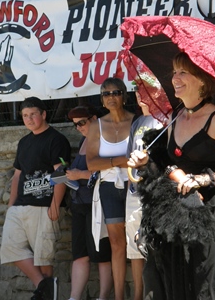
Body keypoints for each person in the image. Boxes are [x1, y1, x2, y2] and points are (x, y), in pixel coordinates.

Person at [128, 52, 215, 299]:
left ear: (202, 79)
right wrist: (149, 162)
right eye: (174, 72)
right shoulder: (175, 117)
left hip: (213, 217)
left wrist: (205, 179)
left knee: (207, 286)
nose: (175, 79)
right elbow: (169, 164)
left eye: (183, 72)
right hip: (179, 218)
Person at [0, 96, 71, 300]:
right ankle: (43, 286)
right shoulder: (23, 142)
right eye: (24, 116)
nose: (29, 119)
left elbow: (61, 174)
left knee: (43, 256)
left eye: (32, 114)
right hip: (19, 206)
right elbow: (17, 176)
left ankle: (47, 292)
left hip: (44, 206)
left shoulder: (57, 140)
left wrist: (56, 204)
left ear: (43, 114)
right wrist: (11, 206)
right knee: (10, 247)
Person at [86, 77, 135, 300]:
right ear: (102, 99)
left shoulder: (137, 121)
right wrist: (119, 160)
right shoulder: (96, 126)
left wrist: (120, 161)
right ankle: (118, 297)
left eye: (116, 92)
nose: (111, 97)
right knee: (117, 244)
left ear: (124, 96)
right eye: (106, 94)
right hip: (108, 187)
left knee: (136, 242)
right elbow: (91, 164)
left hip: (134, 186)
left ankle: (139, 295)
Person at [66, 105, 112, 300]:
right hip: (79, 203)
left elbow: (108, 170)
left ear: (94, 118)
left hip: (97, 203)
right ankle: (74, 297)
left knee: (101, 253)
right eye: (75, 125)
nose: (79, 127)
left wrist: (79, 174)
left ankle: (103, 297)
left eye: (82, 123)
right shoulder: (85, 139)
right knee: (80, 253)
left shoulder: (104, 138)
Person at [125, 88, 162, 300]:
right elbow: (129, 156)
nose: (140, 95)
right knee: (134, 247)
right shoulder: (138, 122)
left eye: (144, 89)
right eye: (137, 90)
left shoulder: (164, 119)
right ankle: (138, 295)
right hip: (134, 192)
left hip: (154, 192)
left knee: (154, 244)